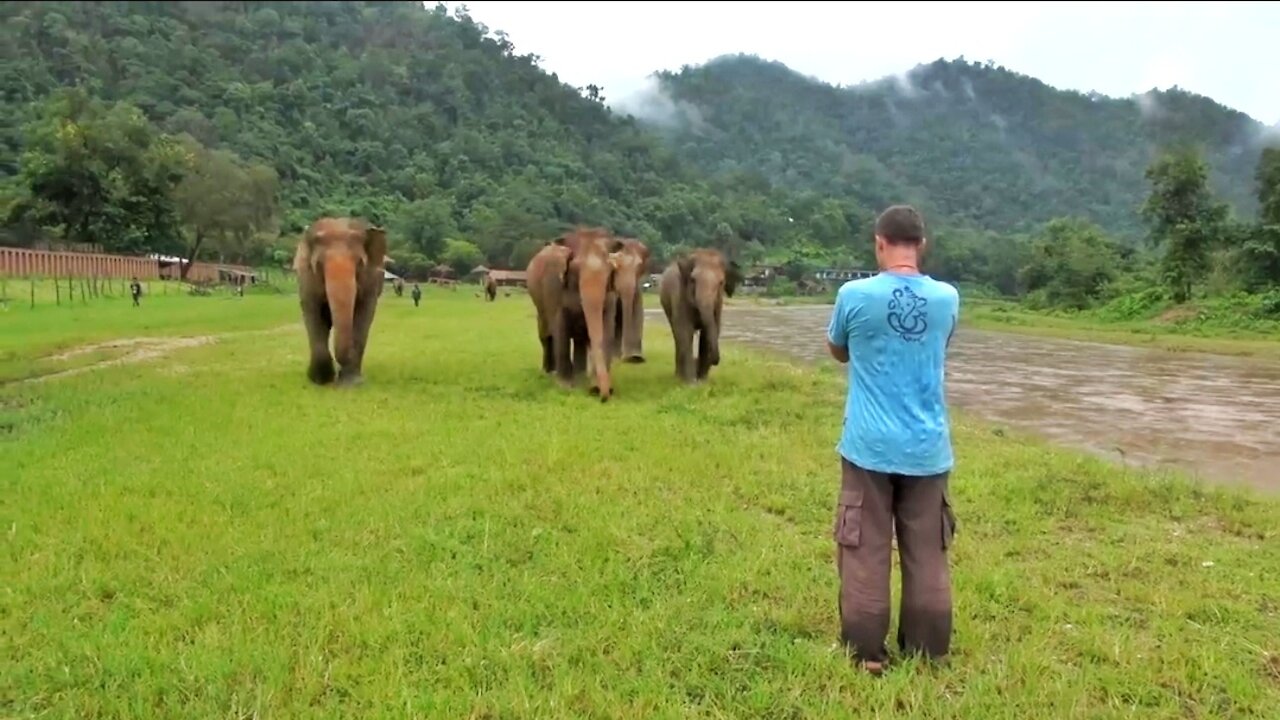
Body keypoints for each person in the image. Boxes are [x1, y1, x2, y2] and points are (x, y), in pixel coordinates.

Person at [824, 205, 960, 675]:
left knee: (865, 547)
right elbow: (936, 345)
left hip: (868, 447)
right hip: (928, 447)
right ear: (922, 244)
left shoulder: (853, 294)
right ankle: (929, 651)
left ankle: (867, 656)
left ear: (878, 242)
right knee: (927, 550)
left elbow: (838, 349)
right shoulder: (947, 298)